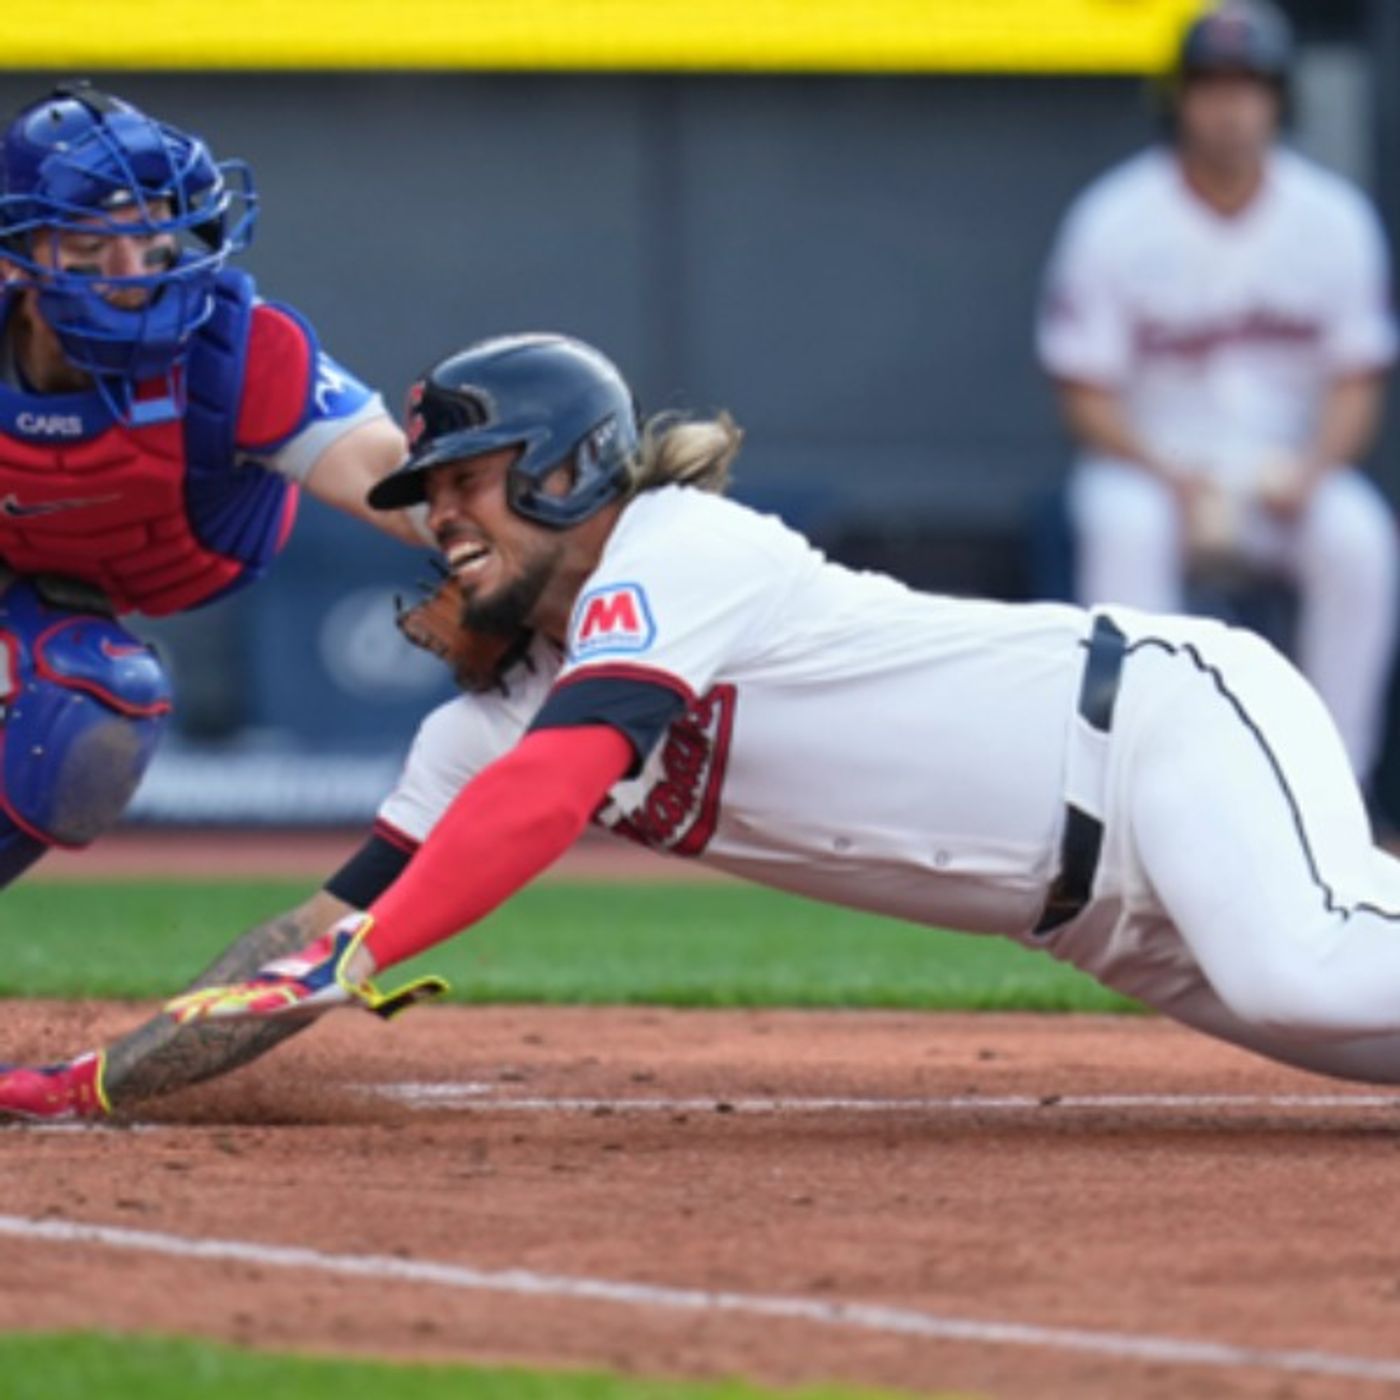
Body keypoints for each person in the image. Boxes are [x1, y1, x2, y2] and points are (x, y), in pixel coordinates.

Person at [13, 326, 1400, 1123]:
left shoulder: (677, 544)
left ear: (568, 470)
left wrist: (360, 956)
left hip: (1154, 728)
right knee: (1356, 1029)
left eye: (466, 481)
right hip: (1098, 921)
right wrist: (100, 1078)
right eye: (424, 495)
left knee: (1301, 971)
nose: (438, 519)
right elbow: (303, 939)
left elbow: (558, 786)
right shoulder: (483, 726)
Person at [0, 82, 425, 888]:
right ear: (13, 253)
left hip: (119, 590)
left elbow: (391, 480)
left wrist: (554, 540)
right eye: (90, 242)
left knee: (92, 697)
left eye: (152, 236)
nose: (131, 274)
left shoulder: (234, 351)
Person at [1036, 0, 1399, 784]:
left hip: (1284, 470)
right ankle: (1135, 781)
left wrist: (1315, 468)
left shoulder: (1333, 219)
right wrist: (1165, 472)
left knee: (1360, 538)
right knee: (1125, 527)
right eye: (1210, 87)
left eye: (1248, 87)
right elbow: (1083, 390)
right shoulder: (1115, 217)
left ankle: (1332, 784)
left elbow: (1357, 379)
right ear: (1180, 100)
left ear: (1279, 99)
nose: (1230, 109)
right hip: (1151, 465)